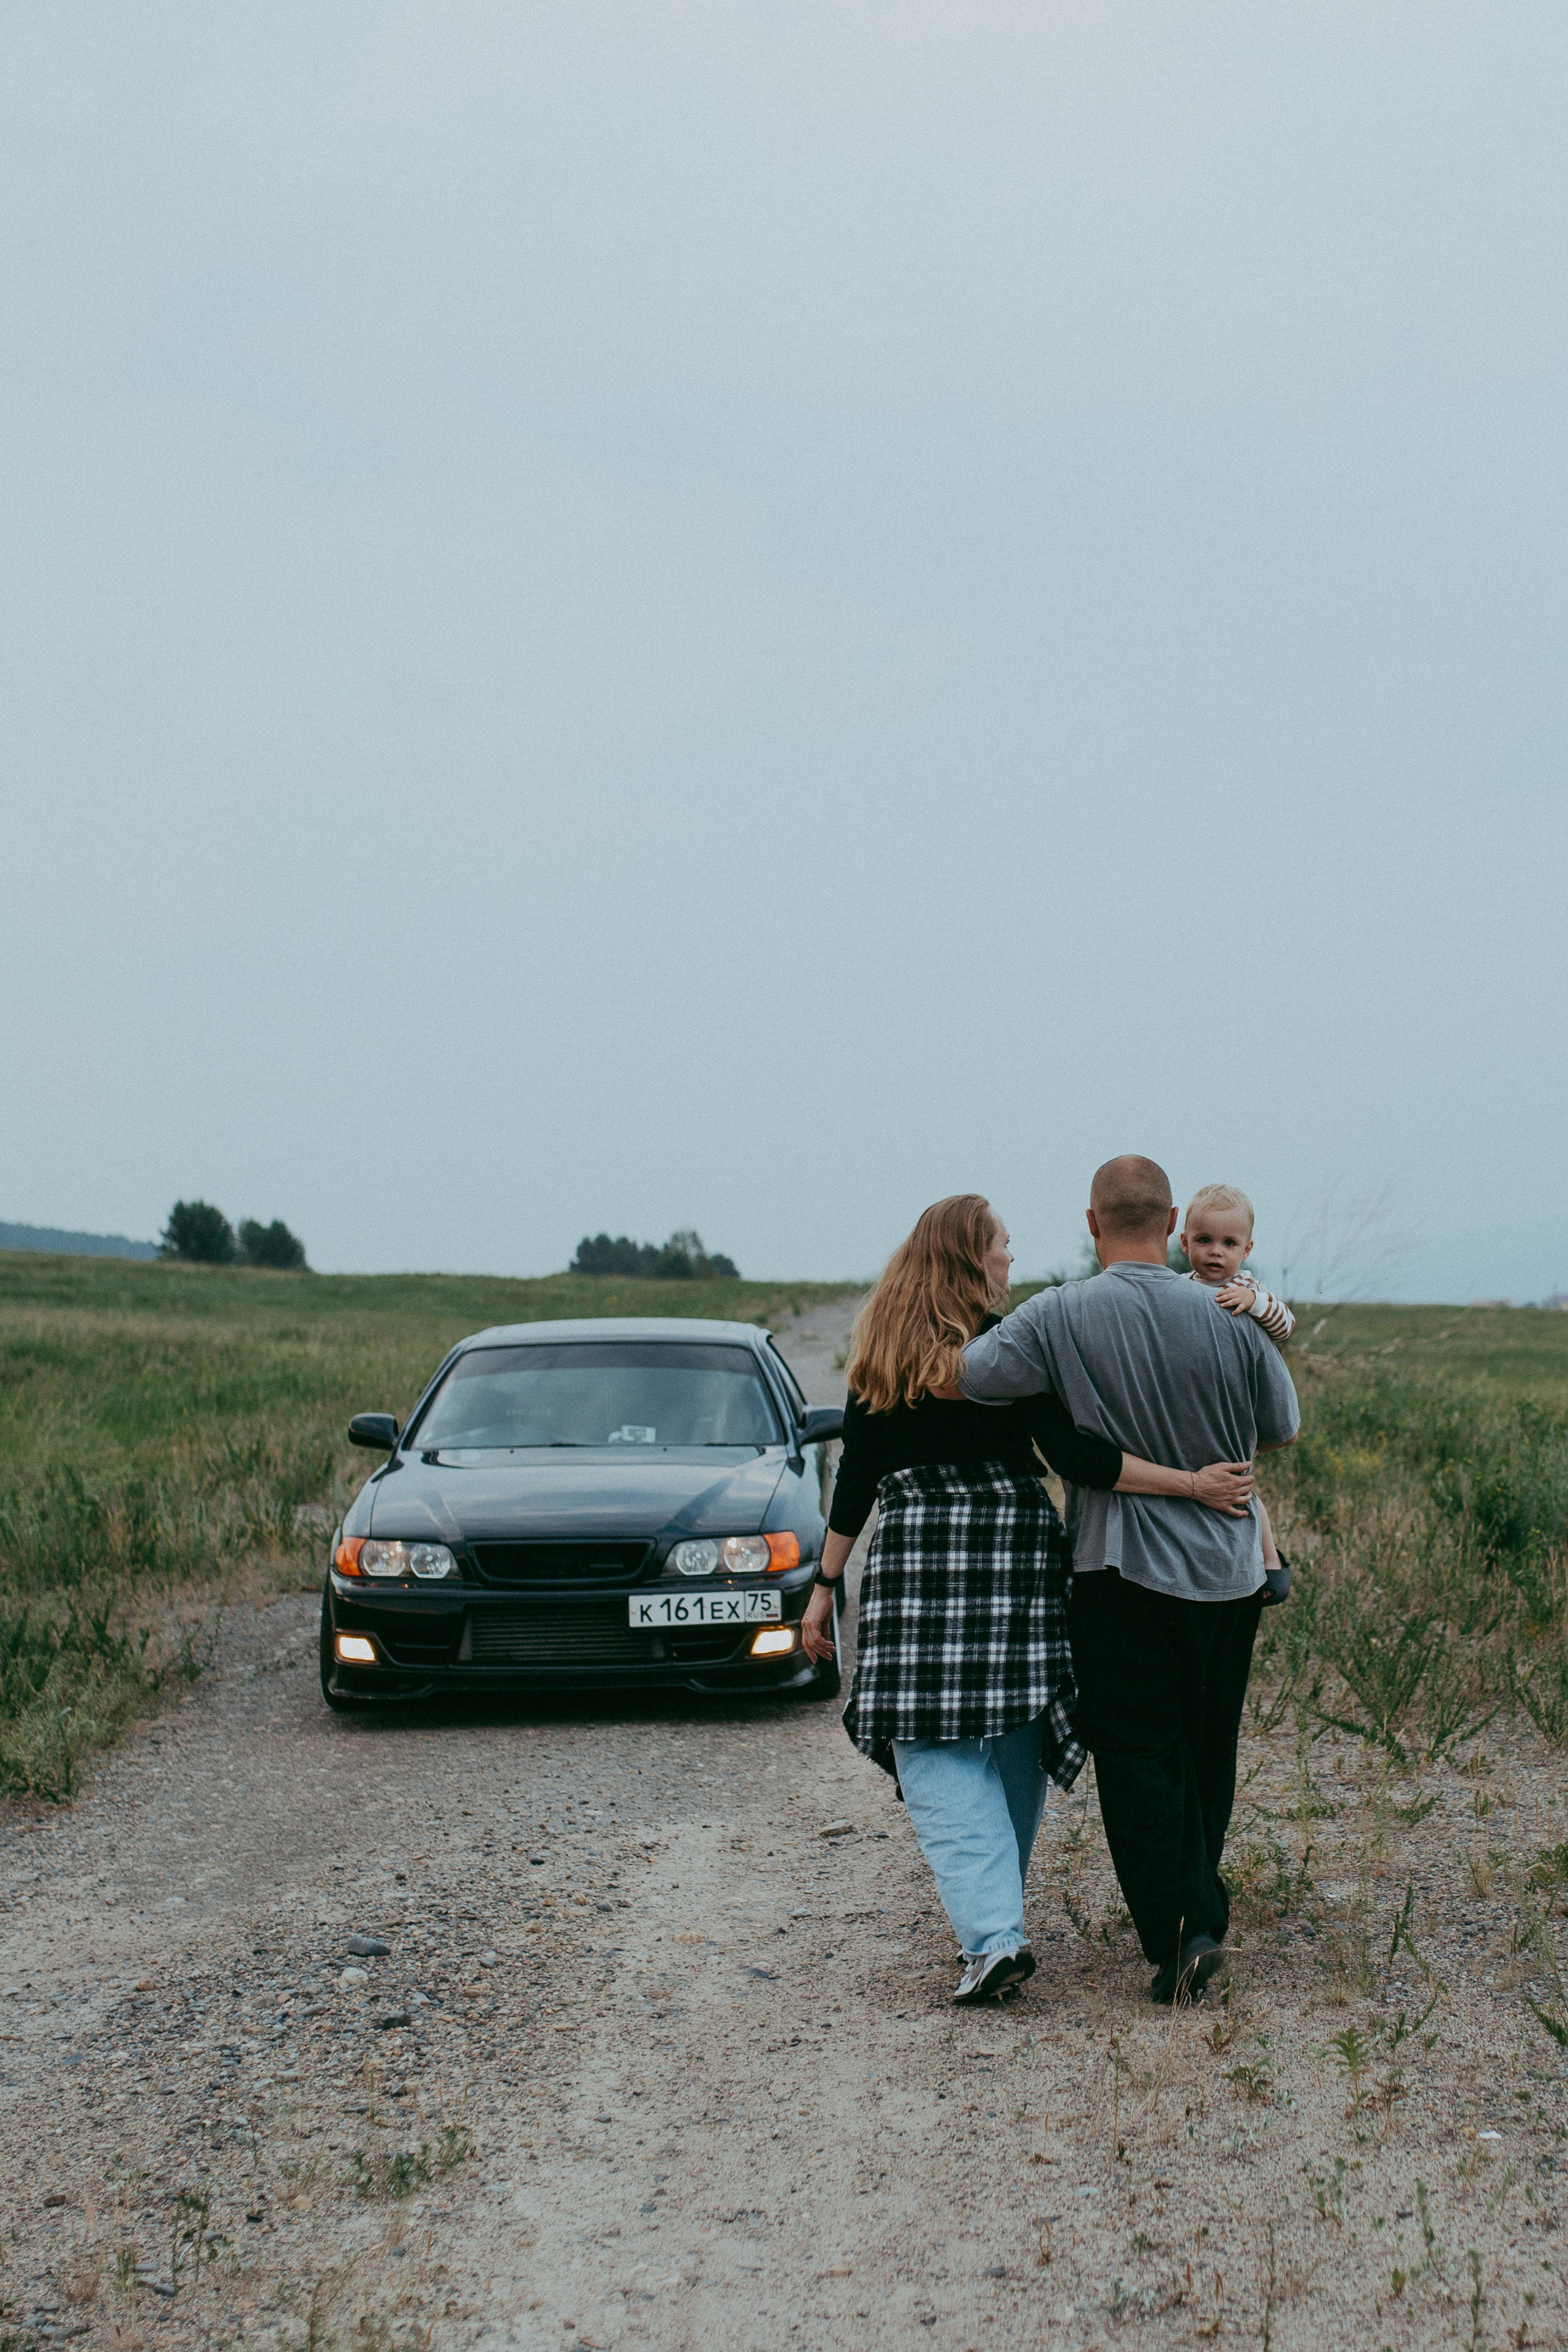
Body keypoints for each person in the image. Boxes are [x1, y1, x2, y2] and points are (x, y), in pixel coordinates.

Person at [799, 1194, 1258, 2008]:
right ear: (973, 1260)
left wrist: (826, 1583)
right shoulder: (1009, 1345)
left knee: (929, 1742)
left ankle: (993, 1935)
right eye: (1003, 1247)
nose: (1012, 1260)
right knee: (1012, 1729)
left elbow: (860, 1476)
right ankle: (992, 1930)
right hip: (1012, 1542)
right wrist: (1190, 1484)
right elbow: (1076, 1454)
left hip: (920, 1551)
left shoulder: (883, 1350)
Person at [957, 1156, 1300, 2006]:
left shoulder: (1061, 1314)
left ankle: (1182, 1932)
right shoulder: (1231, 1312)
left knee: (1139, 1749)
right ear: (1175, 1220)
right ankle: (1200, 1905)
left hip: (1122, 1569)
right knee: (1205, 1740)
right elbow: (1283, 1425)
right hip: (1228, 1571)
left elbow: (973, 1377)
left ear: (1092, 1222)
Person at [1180, 1183, 1294, 1596]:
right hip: (1197, 1401)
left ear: (1246, 1250)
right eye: (1205, 1240)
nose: (1216, 1252)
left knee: (1242, 1485)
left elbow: (1286, 1326)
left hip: (1235, 1407)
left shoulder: (1249, 1287)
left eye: (1229, 1243)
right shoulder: (1181, 1288)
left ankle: (1268, 1562)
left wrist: (1255, 1302)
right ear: (1184, 1242)